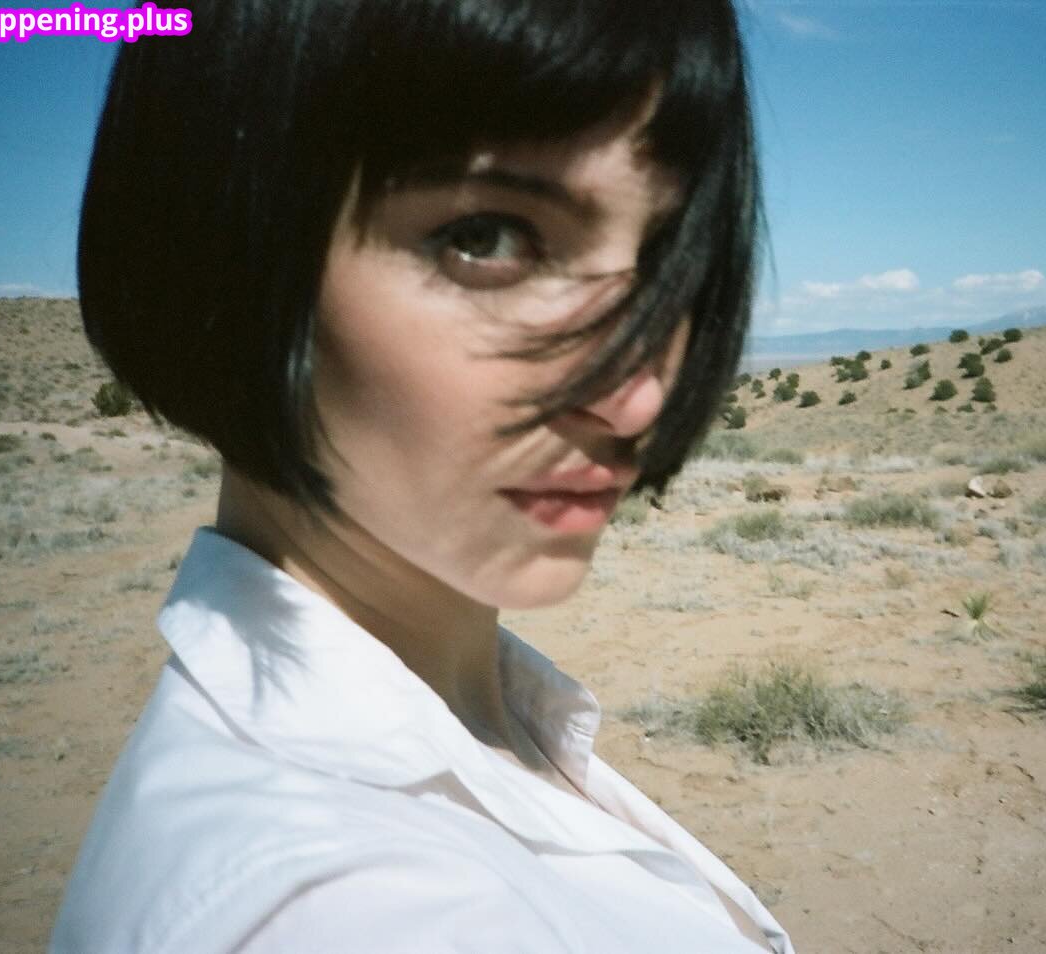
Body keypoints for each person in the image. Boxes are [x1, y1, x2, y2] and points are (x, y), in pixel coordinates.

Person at [53, 1, 793, 951]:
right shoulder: (349, 912)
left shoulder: (472, 728)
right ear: (218, 235)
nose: (638, 396)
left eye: (663, 258)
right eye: (487, 237)